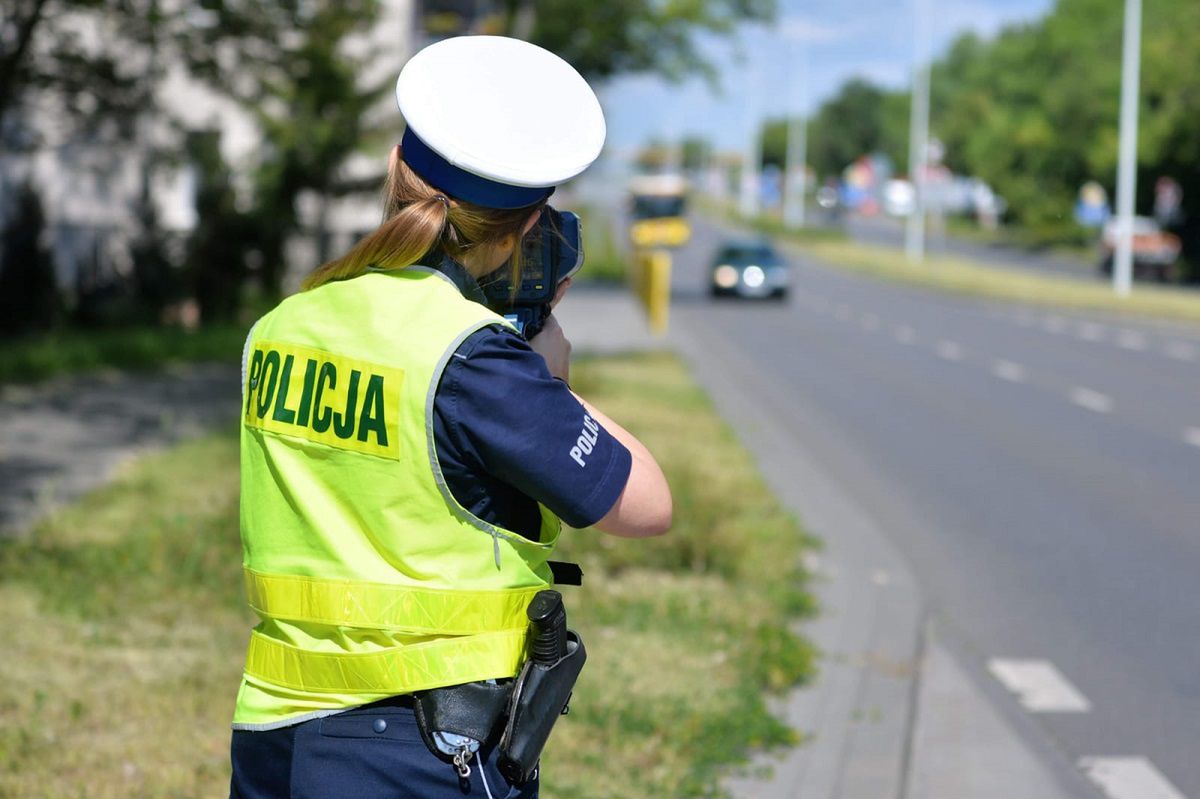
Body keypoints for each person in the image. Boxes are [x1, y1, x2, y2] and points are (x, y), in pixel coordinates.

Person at [228, 35, 672, 799]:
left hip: (273, 732)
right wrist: (549, 371)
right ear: (529, 227)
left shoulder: (282, 323)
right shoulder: (474, 360)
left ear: (397, 170)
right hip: (418, 747)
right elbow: (646, 503)